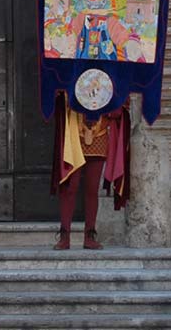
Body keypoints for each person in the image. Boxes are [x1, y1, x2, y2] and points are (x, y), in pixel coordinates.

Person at [50, 95, 131, 250]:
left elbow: (119, 105)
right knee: (70, 187)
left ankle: (90, 236)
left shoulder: (108, 75)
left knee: (92, 189)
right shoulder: (71, 73)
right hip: (74, 133)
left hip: (99, 135)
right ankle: (65, 235)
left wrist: (110, 106)